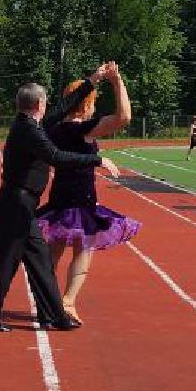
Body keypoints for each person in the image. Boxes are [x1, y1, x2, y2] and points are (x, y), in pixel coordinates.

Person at [0, 70, 110, 333]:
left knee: (41, 259)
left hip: (23, 205)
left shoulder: (32, 124)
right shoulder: (29, 131)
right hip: (17, 204)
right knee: (3, 260)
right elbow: (56, 156)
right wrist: (96, 160)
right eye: (45, 103)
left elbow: (63, 107)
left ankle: (53, 315)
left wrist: (93, 80)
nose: (49, 108)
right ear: (38, 105)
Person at [36, 66, 138, 326]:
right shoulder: (81, 130)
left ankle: (47, 299)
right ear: (85, 106)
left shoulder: (54, 128)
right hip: (79, 199)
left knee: (53, 251)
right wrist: (117, 81)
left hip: (60, 195)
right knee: (83, 250)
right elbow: (124, 117)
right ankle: (68, 301)